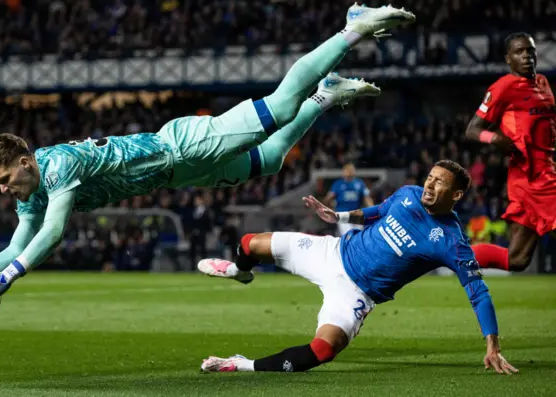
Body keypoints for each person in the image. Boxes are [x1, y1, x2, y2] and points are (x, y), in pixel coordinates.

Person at [0, 4, 416, 313]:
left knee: (279, 105)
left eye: (6, 178)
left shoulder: (58, 165)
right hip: (181, 173)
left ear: (25, 161)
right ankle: (325, 97)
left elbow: (51, 234)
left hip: (182, 145)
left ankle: (351, 27)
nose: (5, 190)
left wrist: (7, 277)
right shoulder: (31, 192)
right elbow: (20, 240)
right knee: (268, 160)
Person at [197, 160, 517, 375]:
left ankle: (241, 364)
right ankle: (239, 271)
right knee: (250, 243)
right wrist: (338, 217)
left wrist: (493, 344)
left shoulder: (450, 240)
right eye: (430, 178)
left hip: (356, 292)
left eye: (440, 184)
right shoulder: (408, 194)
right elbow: (376, 211)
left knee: (323, 349)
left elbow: (478, 293)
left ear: (457, 195)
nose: (430, 187)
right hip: (332, 252)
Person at [465, 32, 556, 272]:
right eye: (519, 52)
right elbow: (472, 130)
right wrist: (494, 138)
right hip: (532, 178)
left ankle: (449, 253)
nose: (526, 56)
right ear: (508, 58)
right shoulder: (504, 87)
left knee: (517, 259)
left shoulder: (543, 83)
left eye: (530, 50)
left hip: (544, 172)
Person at [324, 162, 373, 236]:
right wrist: (330, 207)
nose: (349, 172)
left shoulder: (359, 183)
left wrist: (372, 209)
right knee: (348, 235)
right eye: (347, 170)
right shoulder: (338, 184)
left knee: (359, 236)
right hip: (342, 213)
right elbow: (328, 198)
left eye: (351, 170)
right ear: (343, 172)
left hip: (356, 213)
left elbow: (367, 197)